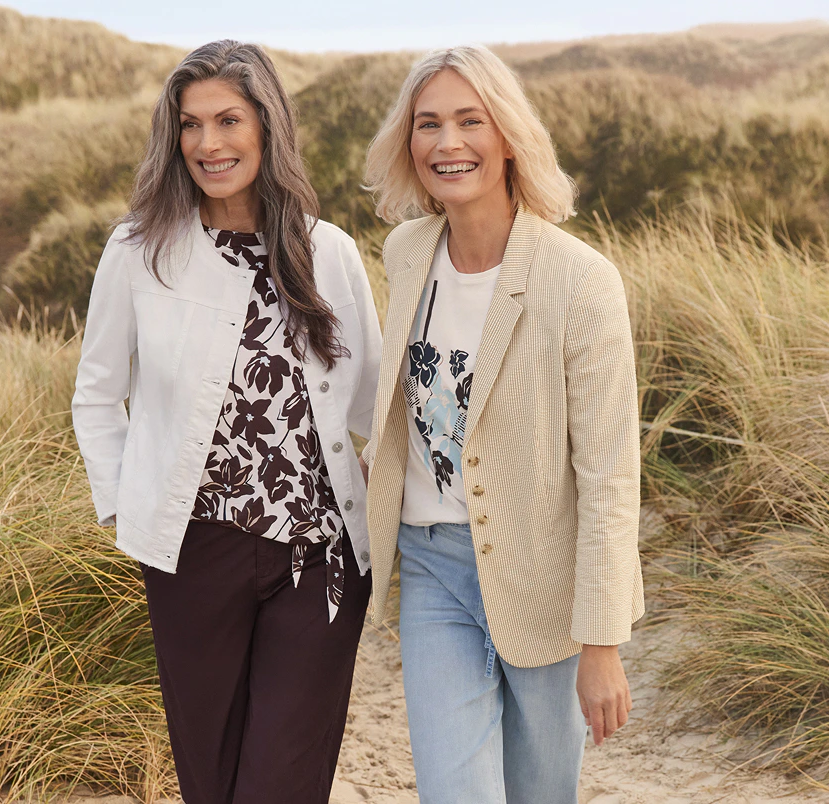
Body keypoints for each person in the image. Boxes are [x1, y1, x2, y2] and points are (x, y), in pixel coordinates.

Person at [71, 40, 381, 804]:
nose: (208, 143)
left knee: (283, 779)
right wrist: (125, 507)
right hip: (191, 549)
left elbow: (376, 403)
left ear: (267, 126)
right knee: (211, 778)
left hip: (321, 559)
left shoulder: (328, 251)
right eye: (190, 124)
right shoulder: (141, 250)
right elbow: (96, 393)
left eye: (228, 120)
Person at [361, 45, 645, 804]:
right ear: (408, 142)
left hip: (544, 580)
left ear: (509, 135)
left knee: (540, 793)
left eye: (469, 121)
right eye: (428, 125)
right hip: (430, 571)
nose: (447, 144)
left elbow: (610, 478)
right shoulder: (405, 252)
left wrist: (603, 644)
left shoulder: (581, 283)